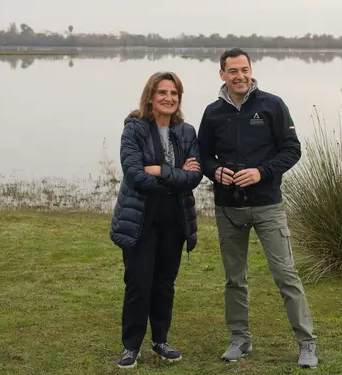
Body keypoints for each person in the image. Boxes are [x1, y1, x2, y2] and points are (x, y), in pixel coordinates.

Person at [197, 48, 319, 369]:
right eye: (232, 71)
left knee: (286, 275)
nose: (240, 76)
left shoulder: (272, 105)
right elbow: (204, 156)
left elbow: (292, 150)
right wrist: (215, 172)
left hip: (267, 206)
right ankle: (240, 338)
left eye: (244, 69)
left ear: (252, 70)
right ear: (222, 74)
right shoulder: (212, 113)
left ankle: (306, 343)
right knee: (234, 279)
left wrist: (261, 172)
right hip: (228, 209)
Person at [109, 71, 203, 369]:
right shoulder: (134, 129)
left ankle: (160, 340)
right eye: (162, 92)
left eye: (174, 93)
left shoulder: (186, 131)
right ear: (150, 96)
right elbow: (135, 175)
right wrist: (177, 176)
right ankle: (130, 346)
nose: (168, 98)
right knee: (138, 283)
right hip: (140, 219)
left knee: (164, 283)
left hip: (174, 220)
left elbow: (195, 175)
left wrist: (160, 171)